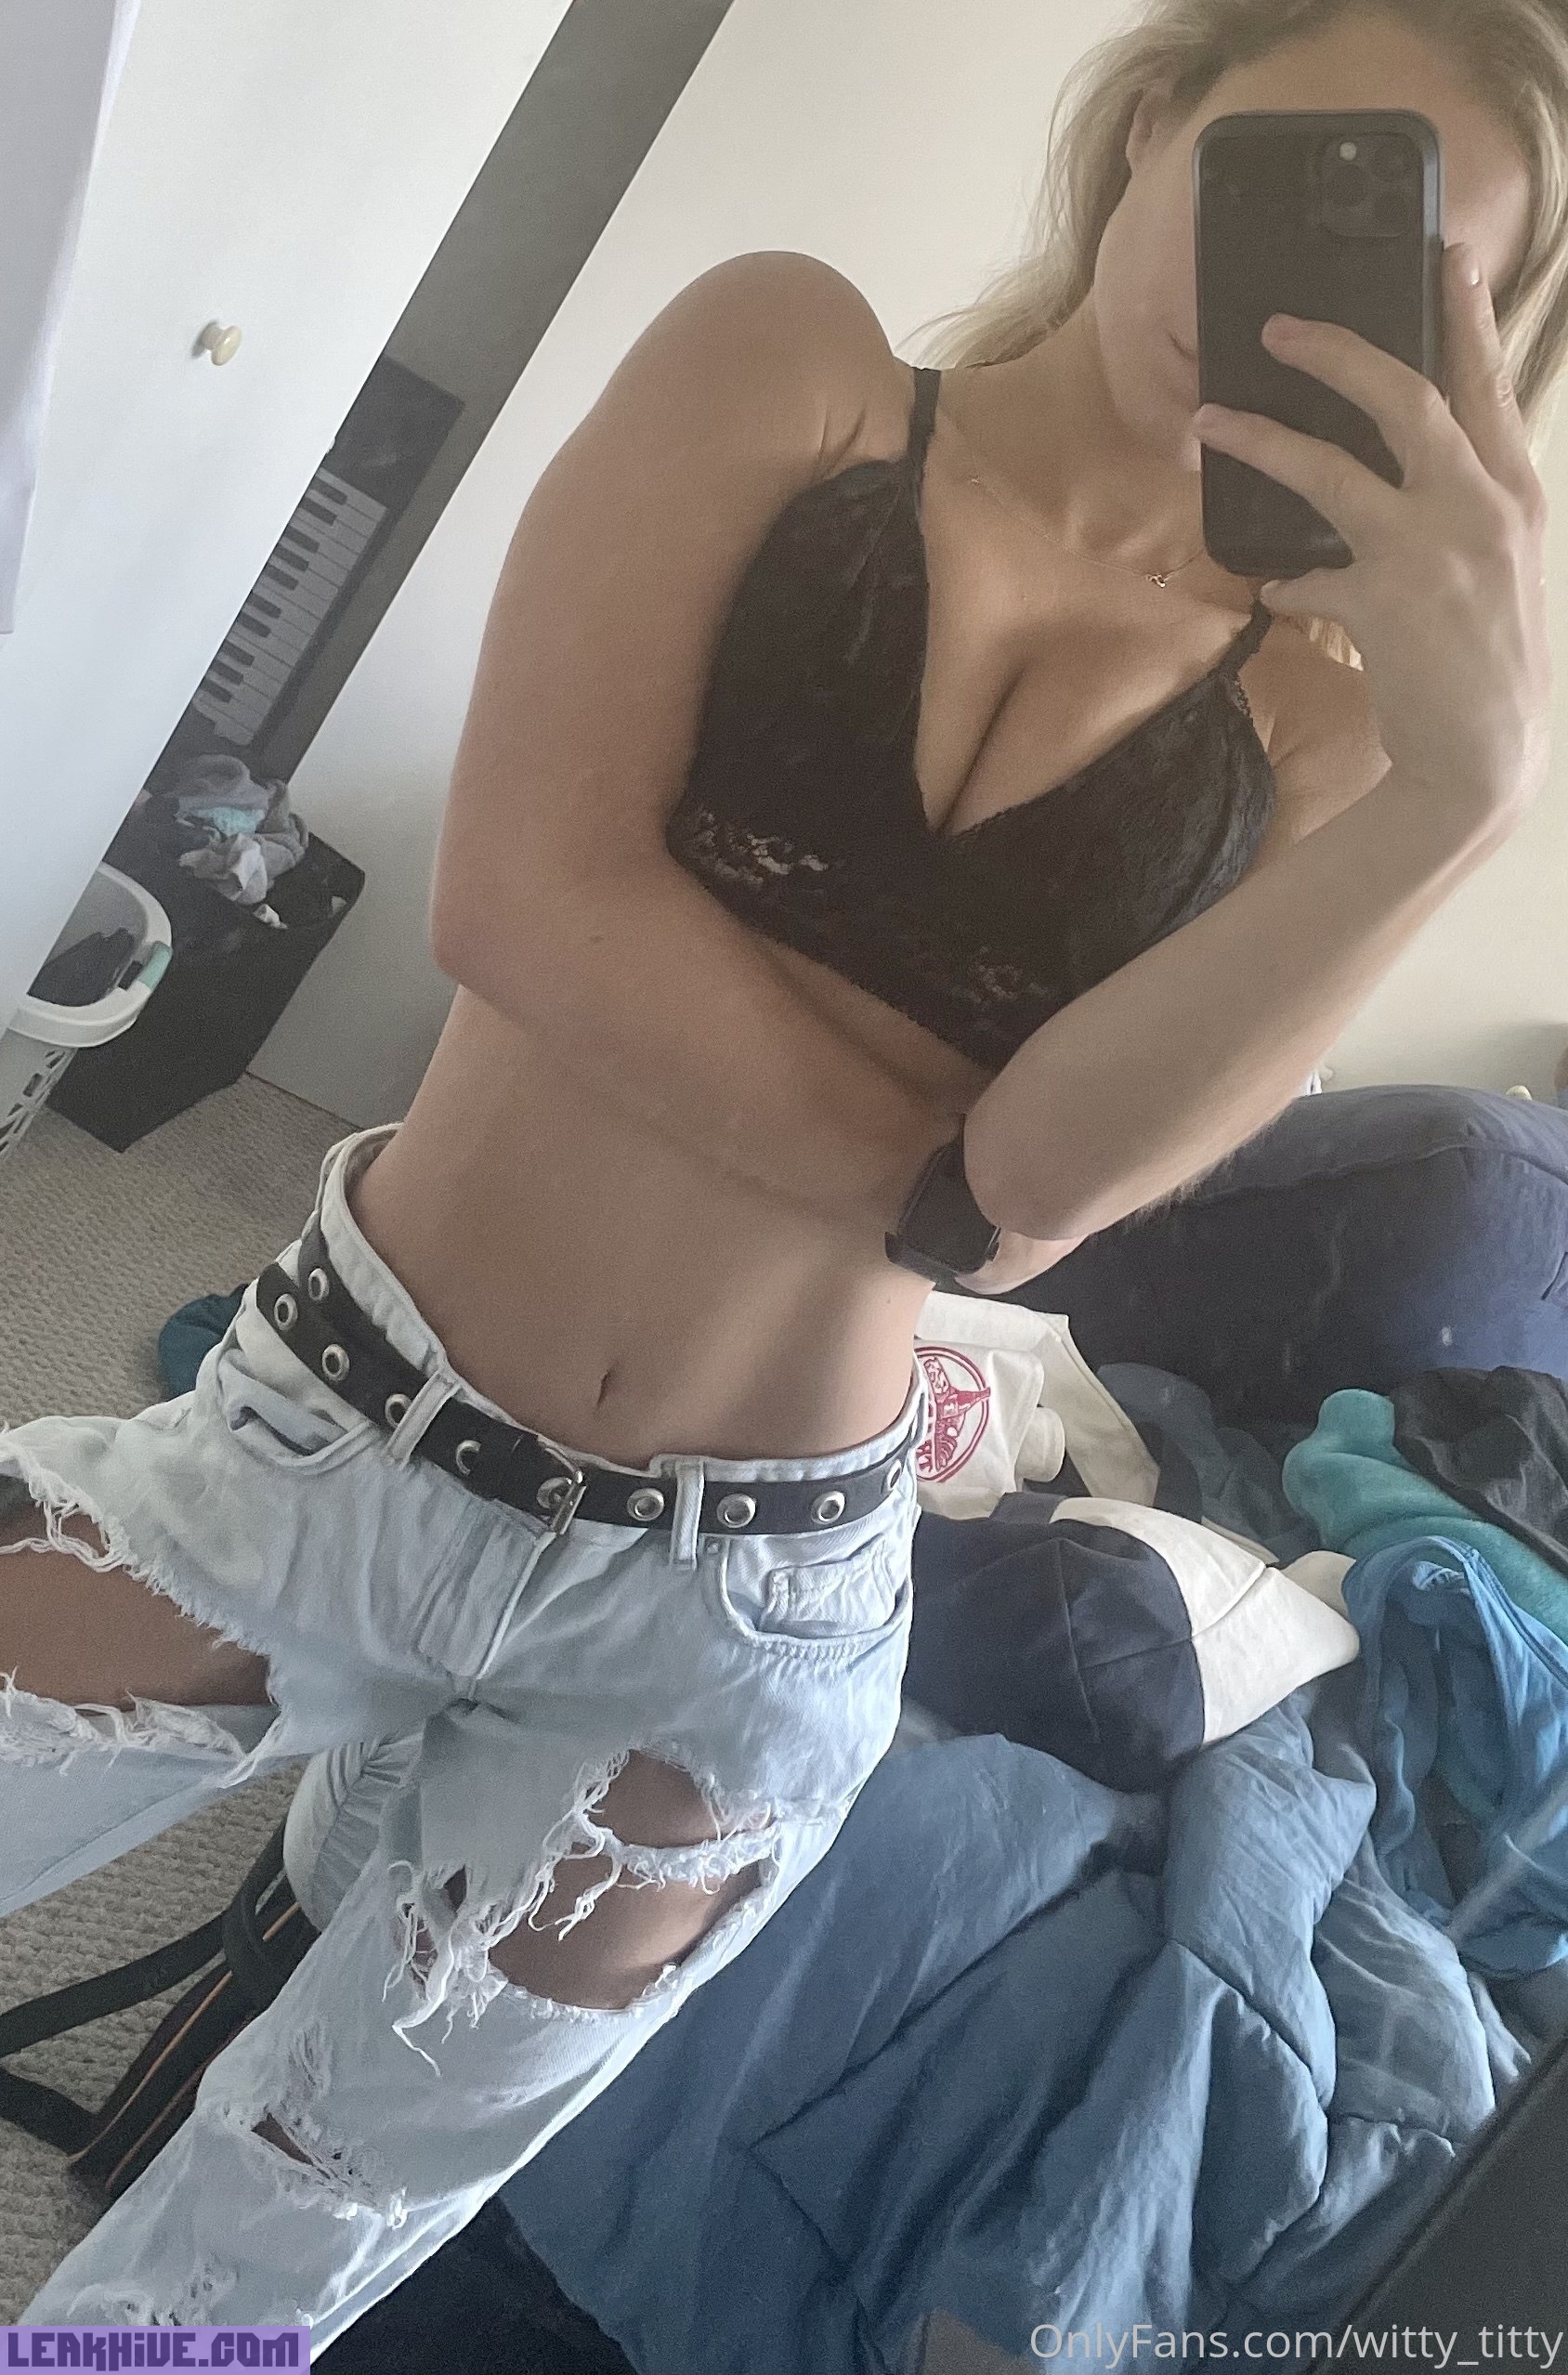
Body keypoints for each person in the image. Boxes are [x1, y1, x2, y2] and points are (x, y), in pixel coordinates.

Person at [1, 0, 1561, 2342]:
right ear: (1158, 118)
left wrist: (1460, 798)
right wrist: (936, 1158)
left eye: (1405, 271)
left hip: (736, 1632)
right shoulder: (797, 367)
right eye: (1290, 171)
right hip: (333, 1435)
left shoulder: (1326, 732)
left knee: (274, 2248)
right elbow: (525, 904)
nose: (1292, 296)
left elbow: (1041, 1196)